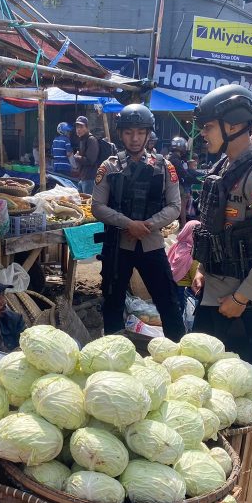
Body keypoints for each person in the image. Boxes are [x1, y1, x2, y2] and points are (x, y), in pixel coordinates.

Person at [189, 85, 252, 366]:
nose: (203, 134)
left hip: (236, 303)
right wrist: (202, 268)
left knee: (235, 381)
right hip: (213, 291)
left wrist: (242, 297)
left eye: (208, 127)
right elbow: (214, 226)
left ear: (232, 125)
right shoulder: (223, 167)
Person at [92, 103, 185, 341]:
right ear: (121, 134)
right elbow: (97, 206)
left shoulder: (165, 167)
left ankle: (177, 352)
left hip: (152, 244)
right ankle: (113, 351)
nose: (135, 138)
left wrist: (148, 225)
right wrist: (127, 224)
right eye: (129, 132)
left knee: (169, 303)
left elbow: (175, 206)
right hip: (117, 247)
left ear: (148, 134)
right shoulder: (109, 166)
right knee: (112, 303)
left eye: (140, 133)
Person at [167, 220, 200, 303]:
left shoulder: (176, 246)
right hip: (184, 291)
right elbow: (195, 278)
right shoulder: (192, 254)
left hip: (171, 285)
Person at [168, 136, 197, 225]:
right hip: (177, 186)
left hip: (170, 185)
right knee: (182, 207)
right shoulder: (176, 160)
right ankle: (184, 225)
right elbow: (184, 174)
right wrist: (197, 181)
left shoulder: (171, 158)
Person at [73, 116, 99, 194]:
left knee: (88, 204)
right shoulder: (82, 139)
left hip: (90, 178)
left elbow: (91, 160)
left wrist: (77, 157)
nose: (78, 129)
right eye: (77, 127)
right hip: (83, 178)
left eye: (81, 127)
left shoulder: (91, 140)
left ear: (87, 127)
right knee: (81, 203)